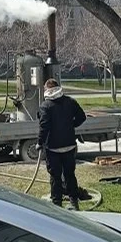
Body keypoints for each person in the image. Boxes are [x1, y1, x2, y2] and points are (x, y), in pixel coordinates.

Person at [37, 78, 86, 210]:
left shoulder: (45, 106)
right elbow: (82, 117)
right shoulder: (70, 101)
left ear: (47, 90)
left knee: (55, 177)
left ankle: (57, 204)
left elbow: (44, 126)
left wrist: (40, 142)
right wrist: (71, 125)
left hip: (53, 148)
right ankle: (74, 202)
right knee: (70, 175)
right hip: (69, 145)